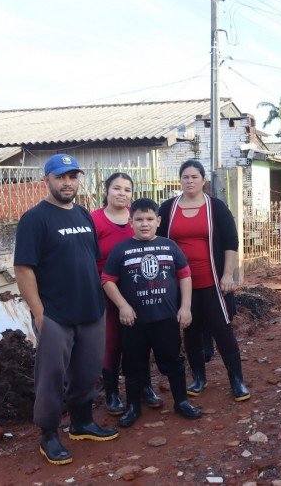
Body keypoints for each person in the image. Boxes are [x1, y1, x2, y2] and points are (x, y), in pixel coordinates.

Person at [14, 153, 118, 466]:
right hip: (56, 313)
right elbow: (23, 269)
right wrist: (39, 313)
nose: (67, 182)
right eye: (60, 177)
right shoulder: (35, 219)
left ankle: (82, 423)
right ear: (46, 180)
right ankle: (49, 435)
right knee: (51, 376)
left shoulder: (84, 215)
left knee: (87, 371)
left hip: (90, 308)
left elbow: (88, 259)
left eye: (72, 176)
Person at [101, 197, 202, 427]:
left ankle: (181, 401)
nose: (144, 224)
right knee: (134, 366)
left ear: (158, 220)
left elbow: (185, 275)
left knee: (174, 362)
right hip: (134, 322)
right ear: (130, 221)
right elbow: (107, 280)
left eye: (149, 219)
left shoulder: (169, 246)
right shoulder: (121, 250)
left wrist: (185, 307)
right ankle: (133, 407)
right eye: (139, 219)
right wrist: (122, 305)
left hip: (165, 319)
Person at [156, 159, 250, 402]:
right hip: (180, 285)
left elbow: (231, 242)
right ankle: (199, 378)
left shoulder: (216, 207)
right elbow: (154, 239)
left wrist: (228, 274)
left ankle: (236, 380)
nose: (190, 181)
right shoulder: (168, 208)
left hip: (212, 282)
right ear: (180, 181)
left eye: (194, 177)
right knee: (191, 331)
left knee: (223, 330)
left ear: (203, 180)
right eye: (185, 177)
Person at [91, 173, 163, 415]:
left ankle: (144, 386)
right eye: (116, 188)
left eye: (127, 190)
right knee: (111, 342)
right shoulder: (95, 220)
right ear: (106, 190)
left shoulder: (139, 216)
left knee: (141, 341)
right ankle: (111, 392)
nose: (122, 193)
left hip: (139, 289)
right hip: (106, 290)